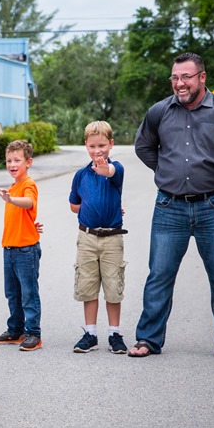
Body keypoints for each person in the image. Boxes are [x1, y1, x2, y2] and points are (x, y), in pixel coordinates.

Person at [129, 52, 214, 361]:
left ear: (202, 77)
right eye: (174, 77)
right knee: (158, 275)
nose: (179, 83)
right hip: (169, 207)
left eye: (185, 77)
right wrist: (167, 170)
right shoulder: (159, 111)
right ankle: (148, 339)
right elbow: (143, 146)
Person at [69, 121, 129, 355]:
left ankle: (115, 333)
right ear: (86, 146)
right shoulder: (80, 175)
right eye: (93, 146)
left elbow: (113, 173)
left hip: (112, 238)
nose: (98, 150)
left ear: (111, 144)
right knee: (88, 285)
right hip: (87, 238)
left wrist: (106, 170)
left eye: (102, 145)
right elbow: (74, 205)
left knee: (113, 286)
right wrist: (87, 208)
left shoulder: (117, 169)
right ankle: (90, 333)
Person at [0, 139, 43, 352]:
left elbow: (29, 202)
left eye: (17, 160)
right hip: (10, 249)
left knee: (28, 293)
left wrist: (12, 200)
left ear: (28, 162)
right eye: (9, 160)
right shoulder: (13, 187)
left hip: (25, 251)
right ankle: (16, 330)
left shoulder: (27, 185)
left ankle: (34, 333)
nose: (12, 164)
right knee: (12, 293)